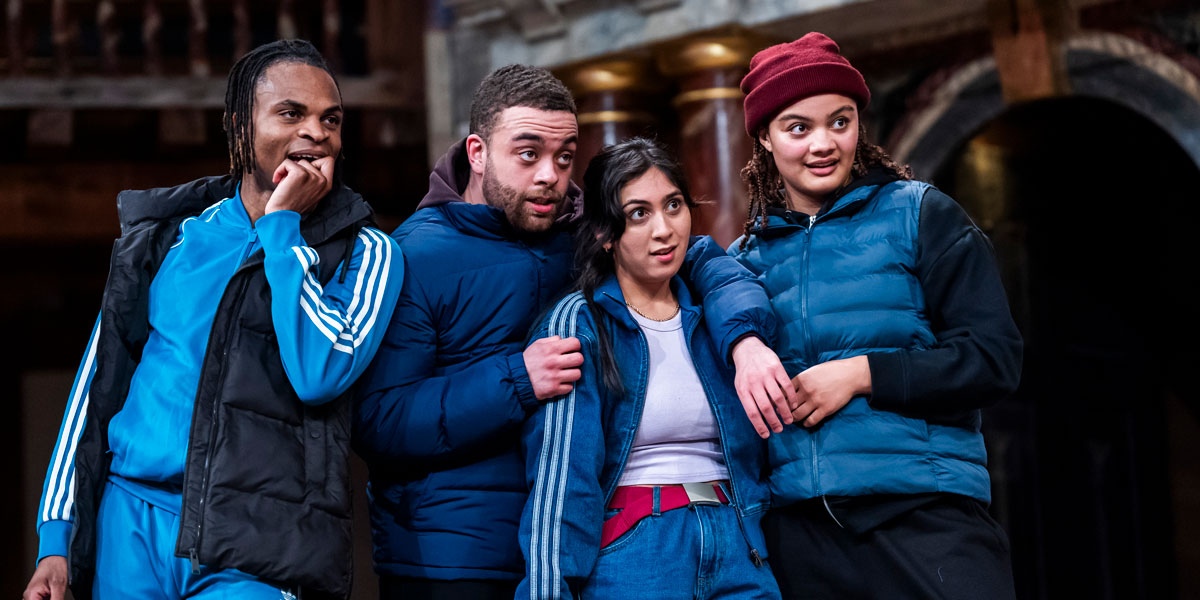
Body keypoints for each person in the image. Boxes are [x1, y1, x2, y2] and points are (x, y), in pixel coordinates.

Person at [354, 66, 792, 600]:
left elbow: (693, 256)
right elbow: (379, 421)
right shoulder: (412, 257)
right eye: (527, 154)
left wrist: (745, 341)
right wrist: (517, 379)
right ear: (476, 152)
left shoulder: (583, 234)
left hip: (588, 546)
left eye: (564, 157)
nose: (549, 176)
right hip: (454, 556)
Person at [23, 39, 403, 600]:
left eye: (332, 119)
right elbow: (93, 393)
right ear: (238, 126)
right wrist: (56, 541)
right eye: (291, 113)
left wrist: (283, 231)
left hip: (257, 538)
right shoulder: (170, 237)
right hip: (131, 522)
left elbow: (321, 372)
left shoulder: (367, 250)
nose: (316, 132)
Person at [731, 32, 1025, 599]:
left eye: (840, 122)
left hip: (926, 519)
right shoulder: (743, 261)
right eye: (799, 128)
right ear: (765, 138)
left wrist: (863, 373)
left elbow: (994, 359)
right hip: (801, 538)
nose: (823, 143)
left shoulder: (922, 214)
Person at [518, 138, 783, 599]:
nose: (665, 229)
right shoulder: (580, 323)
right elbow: (563, 480)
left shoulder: (715, 313)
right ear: (605, 234)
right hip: (638, 547)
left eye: (674, 205)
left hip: (737, 540)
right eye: (639, 213)